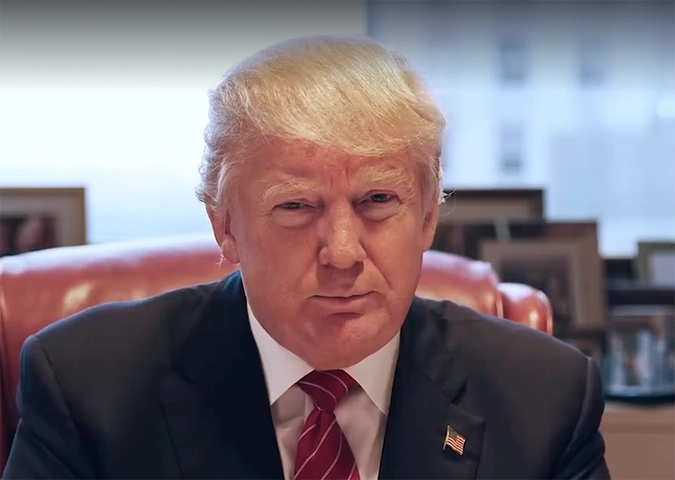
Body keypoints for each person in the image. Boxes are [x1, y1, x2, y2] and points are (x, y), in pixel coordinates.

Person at [2, 35, 610, 480]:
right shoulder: (89, 387)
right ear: (224, 226)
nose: (342, 254)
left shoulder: (542, 397)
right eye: (295, 206)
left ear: (428, 217)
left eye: (378, 200)